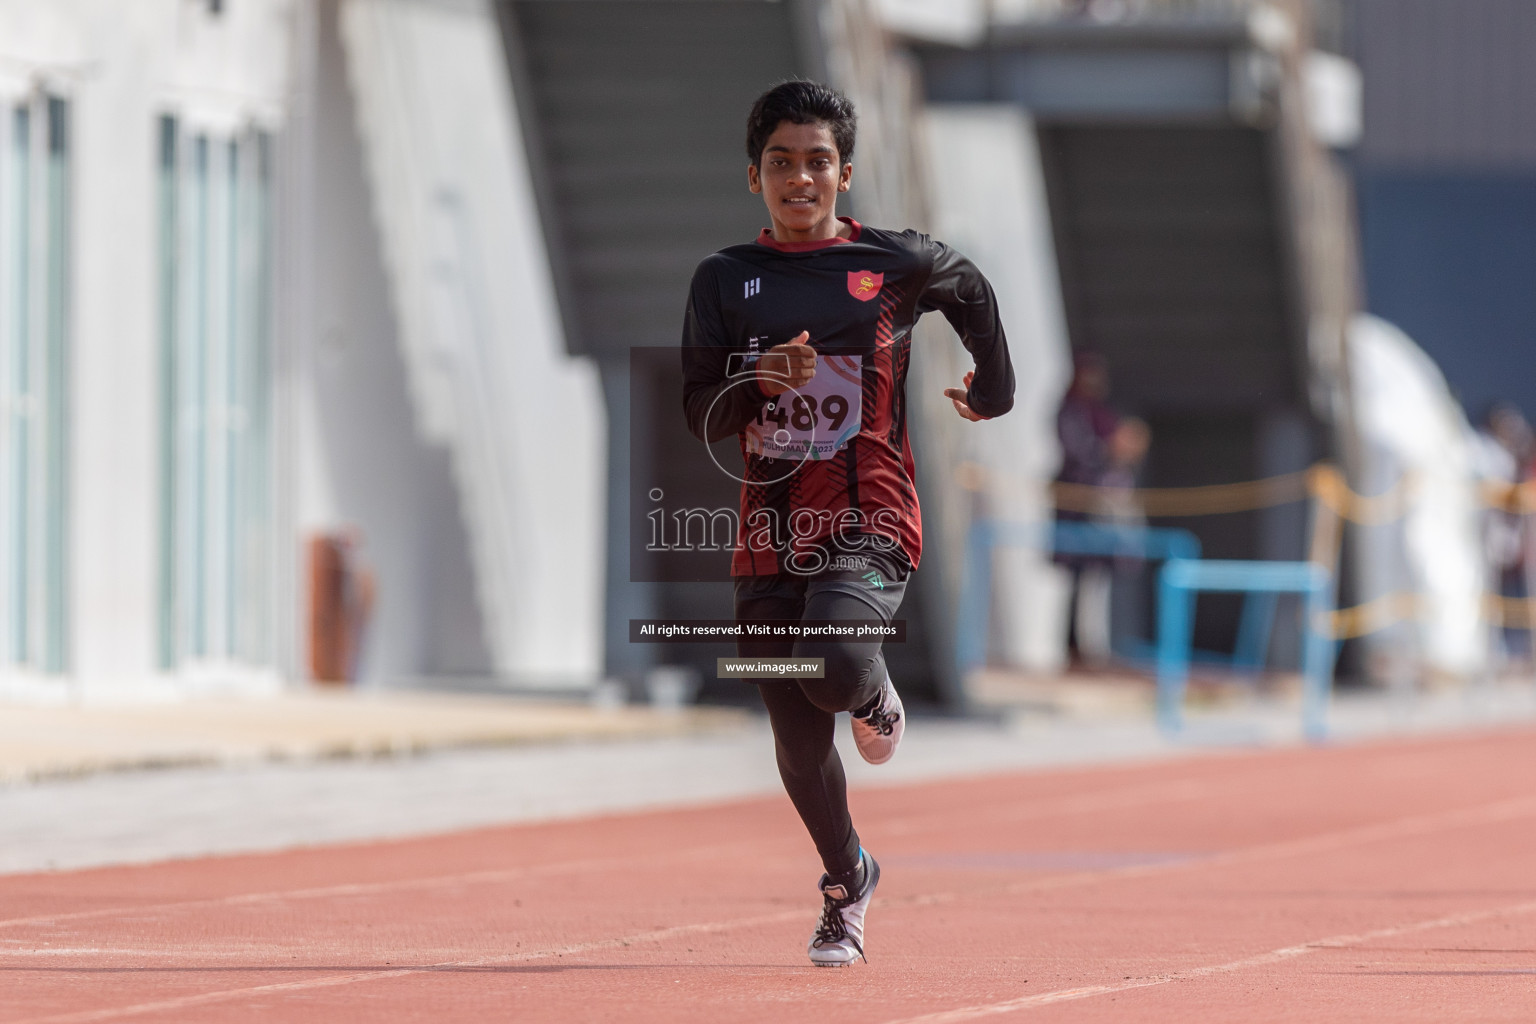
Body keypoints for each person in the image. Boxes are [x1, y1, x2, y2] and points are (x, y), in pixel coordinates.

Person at [681, 81, 1014, 967]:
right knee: (795, 739)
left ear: (845, 173)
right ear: (755, 177)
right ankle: (848, 880)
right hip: (767, 535)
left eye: (818, 162)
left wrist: (995, 388)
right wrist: (760, 384)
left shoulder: (894, 263)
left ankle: (870, 690)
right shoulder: (723, 280)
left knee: (832, 664)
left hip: (869, 516)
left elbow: (972, 286)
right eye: (782, 162)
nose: (801, 178)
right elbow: (700, 415)